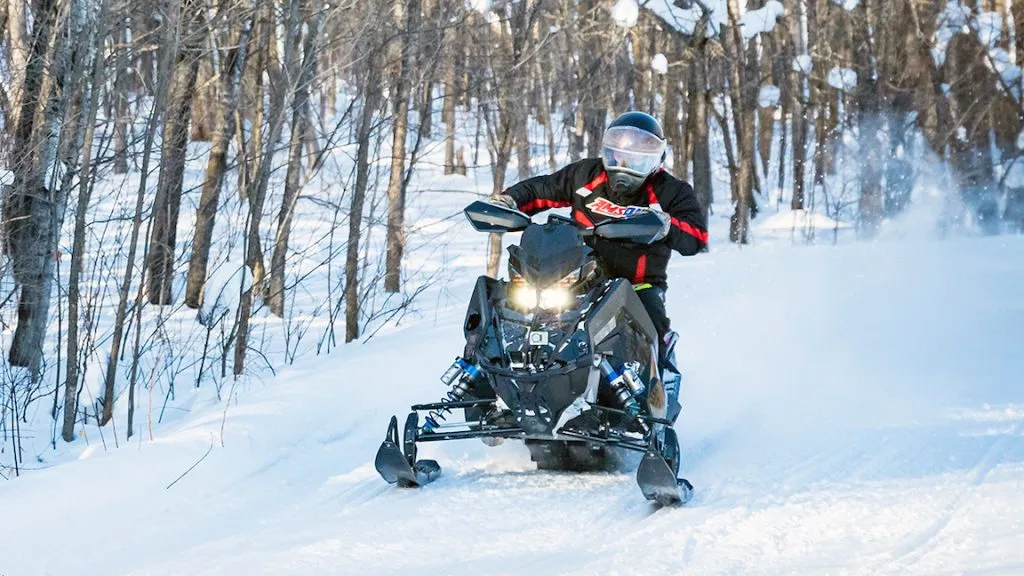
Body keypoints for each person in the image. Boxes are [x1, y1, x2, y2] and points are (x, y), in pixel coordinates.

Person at [491, 111, 707, 423]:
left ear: (655, 158)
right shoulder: (586, 175)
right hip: (578, 279)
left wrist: (667, 226)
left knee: (652, 324)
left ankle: (654, 407)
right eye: (618, 154)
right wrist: (511, 200)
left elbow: (696, 237)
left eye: (636, 157)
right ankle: (490, 387)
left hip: (636, 283)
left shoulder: (670, 191)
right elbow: (542, 189)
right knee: (511, 306)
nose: (625, 164)